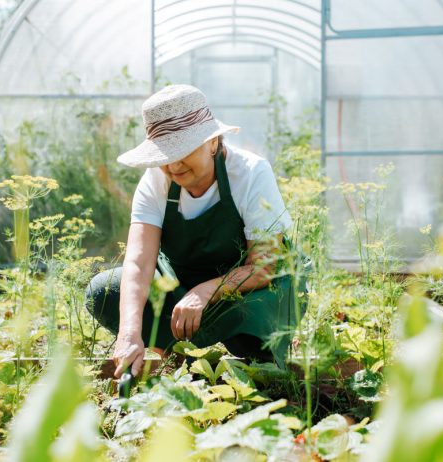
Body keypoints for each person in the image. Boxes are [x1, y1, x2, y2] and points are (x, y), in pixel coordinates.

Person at [87, 84, 299, 379]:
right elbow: (139, 262)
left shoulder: (250, 174)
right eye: (164, 155)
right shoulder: (155, 182)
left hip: (244, 293)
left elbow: (264, 266)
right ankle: (162, 351)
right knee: (105, 290)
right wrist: (128, 333)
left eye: (183, 151)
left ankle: (207, 357)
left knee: (249, 340)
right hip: (180, 286)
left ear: (213, 142)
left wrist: (206, 291)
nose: (173, 165)